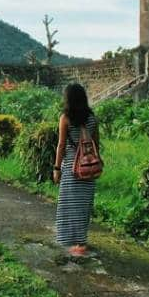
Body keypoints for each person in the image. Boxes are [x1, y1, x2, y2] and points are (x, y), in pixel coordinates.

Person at [53, 83, 99, 257]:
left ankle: (70, 242)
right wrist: (93, 163)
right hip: (88, 169)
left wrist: (57, 168)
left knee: (69, 206)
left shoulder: (65, 118)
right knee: (83, 207)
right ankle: (81, 242)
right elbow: (96, 145)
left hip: (72, 169)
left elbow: (61, 146)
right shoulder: (93, 119)